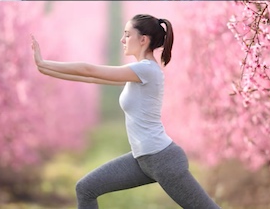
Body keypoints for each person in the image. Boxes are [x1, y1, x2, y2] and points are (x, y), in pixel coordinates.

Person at [31, 14, 221, 209]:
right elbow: (91, 79)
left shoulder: (146, 70)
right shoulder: (138, 72)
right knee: (85, 188)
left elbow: (89, 70)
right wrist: (44, 69)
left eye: (127, 35)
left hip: (163, 160)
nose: (122, 40)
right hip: (142, 160)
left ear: (143, 40)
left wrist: (45, 63)